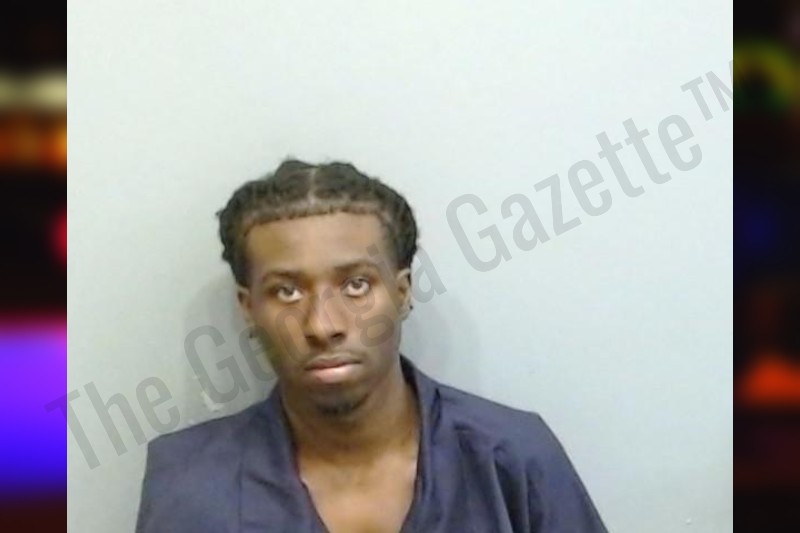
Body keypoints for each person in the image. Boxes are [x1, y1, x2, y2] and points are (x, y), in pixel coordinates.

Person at [135, 159, 608, 532]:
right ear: (248, 307)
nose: (323, 325)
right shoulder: (190, 483)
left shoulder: (511, 458)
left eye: (356, 285)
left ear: (401, 293)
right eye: (287, 291)